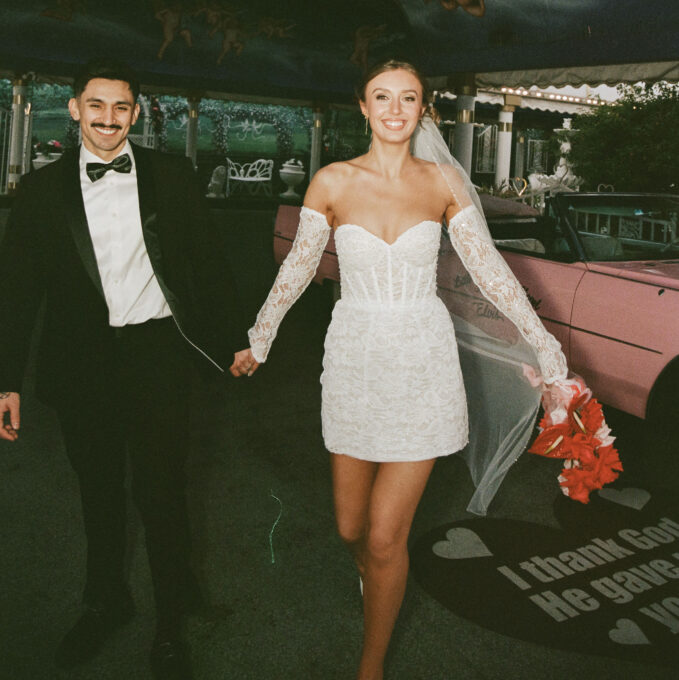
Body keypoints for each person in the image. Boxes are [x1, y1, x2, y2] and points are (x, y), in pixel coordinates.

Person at [230, 58, 570, 680]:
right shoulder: (332, 181)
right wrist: (261, 338)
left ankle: (371, 665)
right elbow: (298, 269)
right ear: (363, 107)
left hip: (423, 364)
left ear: (423, 109)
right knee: (350, 528)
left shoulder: (443, 182)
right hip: (355, 361)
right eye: (381, 97)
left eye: (407, 98)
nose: (394, 109)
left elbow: (492, 272)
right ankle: (372, 573)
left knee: (387, 537)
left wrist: (546, 348)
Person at [0, 60, 242, 680]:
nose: (109, 119)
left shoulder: (172, 176)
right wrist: (6, 380)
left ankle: (170, 622)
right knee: (98, 492)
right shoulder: (40, 191)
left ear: (136, 113)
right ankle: (105, 602)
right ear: (75, 108)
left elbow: (209, 266)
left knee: (162, 493)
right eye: (97, 105)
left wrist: (235, 342)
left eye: (121, 107)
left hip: (157, 357)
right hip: (80, 365)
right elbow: (17, 291)